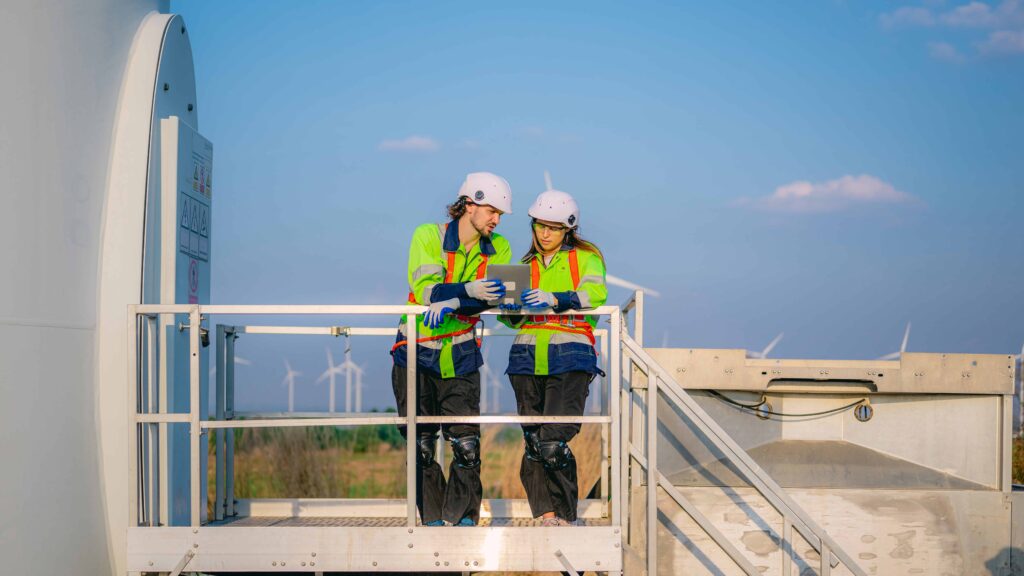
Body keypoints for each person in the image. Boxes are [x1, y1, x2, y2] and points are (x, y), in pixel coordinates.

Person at [390, 172, 513, 527]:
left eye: (501, 215)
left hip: (460, 351)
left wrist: (461, 296)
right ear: (469, 204)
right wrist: (469, 293)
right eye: (492, 211)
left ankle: (461, 522)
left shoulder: (498, 247)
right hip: (414, 350)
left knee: (466, 446)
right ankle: (431, 521)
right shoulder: (427, 235)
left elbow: (495, 297)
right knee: (422, 445)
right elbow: (427, 289)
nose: (496, 220)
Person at [499, 189, 607, 527]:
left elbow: (596, 294)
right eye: (539, 226)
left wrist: (555, 298)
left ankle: (565, 517)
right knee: (533, 443)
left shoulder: (585, 259)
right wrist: (509, 307)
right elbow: (509, 319)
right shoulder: (523, 266)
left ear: (568, 229)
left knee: (553, 441)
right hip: (526, 359)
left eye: (553, 227)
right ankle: (546, 515)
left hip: (570, 356)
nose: (544, 234)